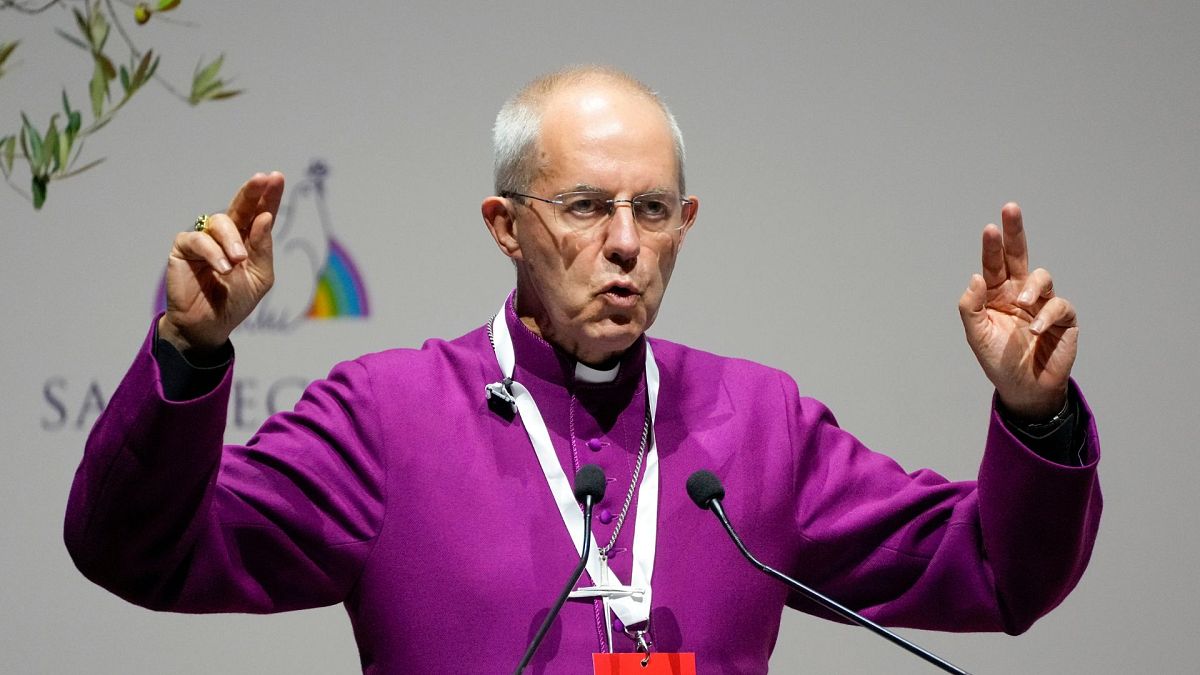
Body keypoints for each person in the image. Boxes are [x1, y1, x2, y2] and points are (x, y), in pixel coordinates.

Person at [65, 66, 1101, 674]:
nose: (624, 244)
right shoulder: (385, 419)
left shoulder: (759, 422)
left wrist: (1036, 416)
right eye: (585, 206)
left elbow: (994, 571)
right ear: (505, 227)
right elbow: (135, 551)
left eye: (653, 211)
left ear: (684, 228)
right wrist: (190, 356)